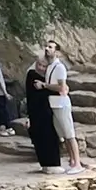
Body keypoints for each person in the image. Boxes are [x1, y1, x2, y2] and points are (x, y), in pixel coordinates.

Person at [42, 39, 83, 170]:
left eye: (50, 47)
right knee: (64, 134)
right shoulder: (49, 67)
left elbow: (61, 87)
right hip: (54, 103)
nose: (47, 49)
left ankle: (77, 163)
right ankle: (71, 160)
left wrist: (45, 85)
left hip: (61, 103)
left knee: (70, 133)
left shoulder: (59, 67)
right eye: (47, 47)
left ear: (57, 52)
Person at [25, 62, 61, 167]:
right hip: (37, 113)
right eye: (39, 65)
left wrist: (45, 86)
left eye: (44, 66)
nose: (41, 68)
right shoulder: (32, 75)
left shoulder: (50, 78)